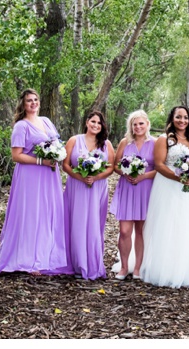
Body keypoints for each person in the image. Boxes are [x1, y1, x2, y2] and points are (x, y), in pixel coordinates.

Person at [141, 106, 189, 288]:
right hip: (170, 188)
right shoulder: (164, 139)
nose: (182, 120)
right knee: (171, 224)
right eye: (178, 117)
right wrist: (180, 178)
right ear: (172, 118)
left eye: (185, 117)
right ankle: (169, 269)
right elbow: (159, 165)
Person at [0, 89, 71, 275]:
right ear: (23, 104)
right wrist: (41, 161)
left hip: (49, 175)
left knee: (47, 213)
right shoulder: (21, 126)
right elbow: (16, 155)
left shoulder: (45, 121)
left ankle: (46, 256)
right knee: (32, 215)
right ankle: (29, 260)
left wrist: (57, 156)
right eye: (29, 100)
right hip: (30, 175)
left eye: (36, 99)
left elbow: (56, 143)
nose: (33, 103)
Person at [62, 110, 115, 280]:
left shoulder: (106, 144)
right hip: (77, 186)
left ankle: (92, 263)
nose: (96, 125)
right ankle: (78, 264)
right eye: (93, 121)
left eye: (99, 123)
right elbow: (66, 164)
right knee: (76, 223)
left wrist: (95, 177)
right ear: (86, 122)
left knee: (93, 223)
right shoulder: (74, 140)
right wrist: (80, 177)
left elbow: (111, 167)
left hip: (97, 188)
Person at [110, 110, 156, 280]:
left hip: (146, 189)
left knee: (141, 230)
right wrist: (124, 173)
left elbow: (159, 168)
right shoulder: (125, 143)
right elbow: (115, 165)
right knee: (124, 231)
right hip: (127, 189)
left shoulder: (156, 143)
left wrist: (143, 176)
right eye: (134, 124)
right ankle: (123, 267)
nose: (138, 127)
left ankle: (137, 267)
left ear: (148, 124)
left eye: (141, 124)